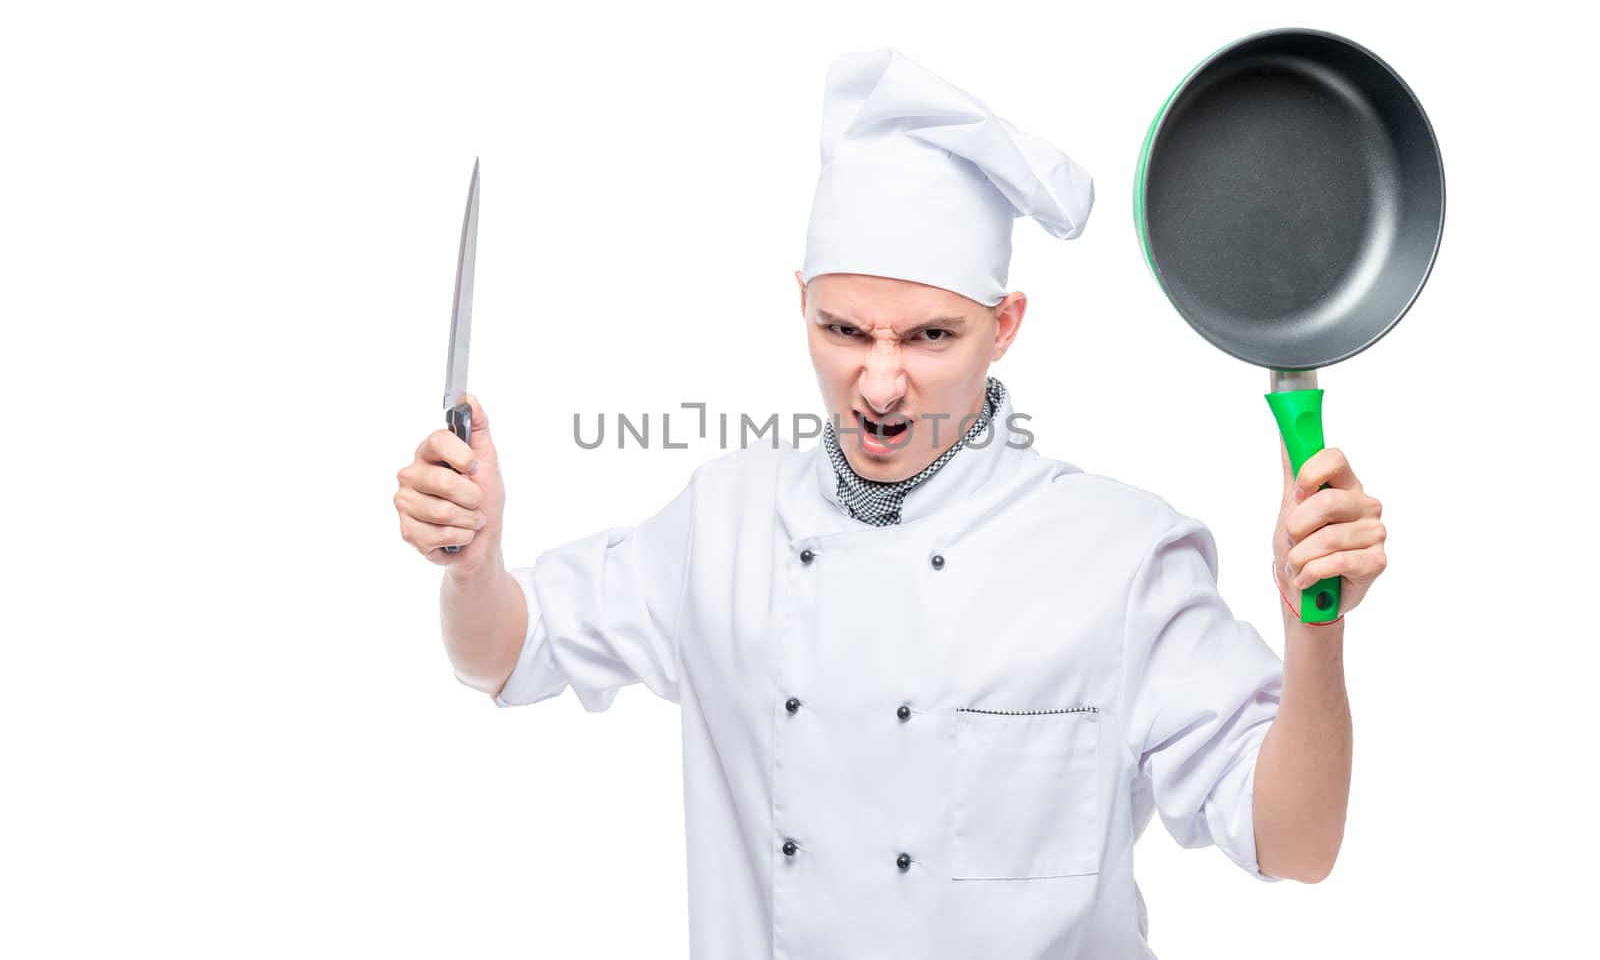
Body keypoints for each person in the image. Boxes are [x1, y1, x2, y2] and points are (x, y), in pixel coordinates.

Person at [392, 49, 1387, 958]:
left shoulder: (1119, 556)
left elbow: (1294, 842)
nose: (876, 383)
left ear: (1004, 328)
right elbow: (503, 652)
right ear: (800, 303)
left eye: (927, 338)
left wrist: (1318, 631)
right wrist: (472, 565)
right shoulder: (723, 524)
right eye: (842, 329)